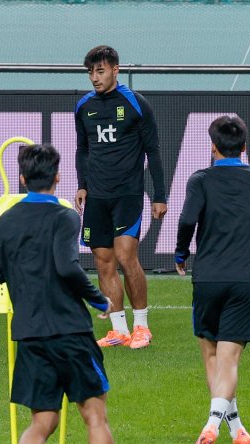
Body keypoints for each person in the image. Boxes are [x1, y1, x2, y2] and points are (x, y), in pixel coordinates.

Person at [0, 144, 125, 444]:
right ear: (58, 177)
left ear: (23, 178)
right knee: (95, 416)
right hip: (70, 331)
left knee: (42, 420)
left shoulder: (7, 219)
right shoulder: (65, 216)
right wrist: (98, 300)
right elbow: (67, 265)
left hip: (29, 334)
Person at [175, 116, 250, 444]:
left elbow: (186, 221)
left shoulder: (200, 180)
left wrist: (181, 254)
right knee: (229, 359)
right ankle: (224, 427)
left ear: (212, 147)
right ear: (244, 148)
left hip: (208, 277)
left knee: (211, 355)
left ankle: (228, 429)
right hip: (244, 279)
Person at [74, 45, 167, 350]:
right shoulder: (84, 107)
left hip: (127, 194)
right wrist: (82, 184)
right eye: (90, 72)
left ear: (116, 69)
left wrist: (159, 196)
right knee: (102, 262)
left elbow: (152, 151)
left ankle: (142, 326)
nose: (94, 78)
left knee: (126, 257)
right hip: (97, 197)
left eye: (100, 71)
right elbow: (83, 149)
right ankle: (118, 330)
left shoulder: (136, 104)